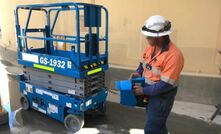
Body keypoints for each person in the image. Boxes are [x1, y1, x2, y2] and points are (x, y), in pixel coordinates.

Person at [131, 15, 184, 134]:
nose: (146, 39)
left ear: (160, 37)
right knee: (157, 125)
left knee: (152, 129)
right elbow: (143, 62)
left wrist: (142, 91)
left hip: (162, 97)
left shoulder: (174, 55)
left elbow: (165, 85)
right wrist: (138, 72)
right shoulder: (151, 47)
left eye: (149, 37)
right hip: (150, 91)